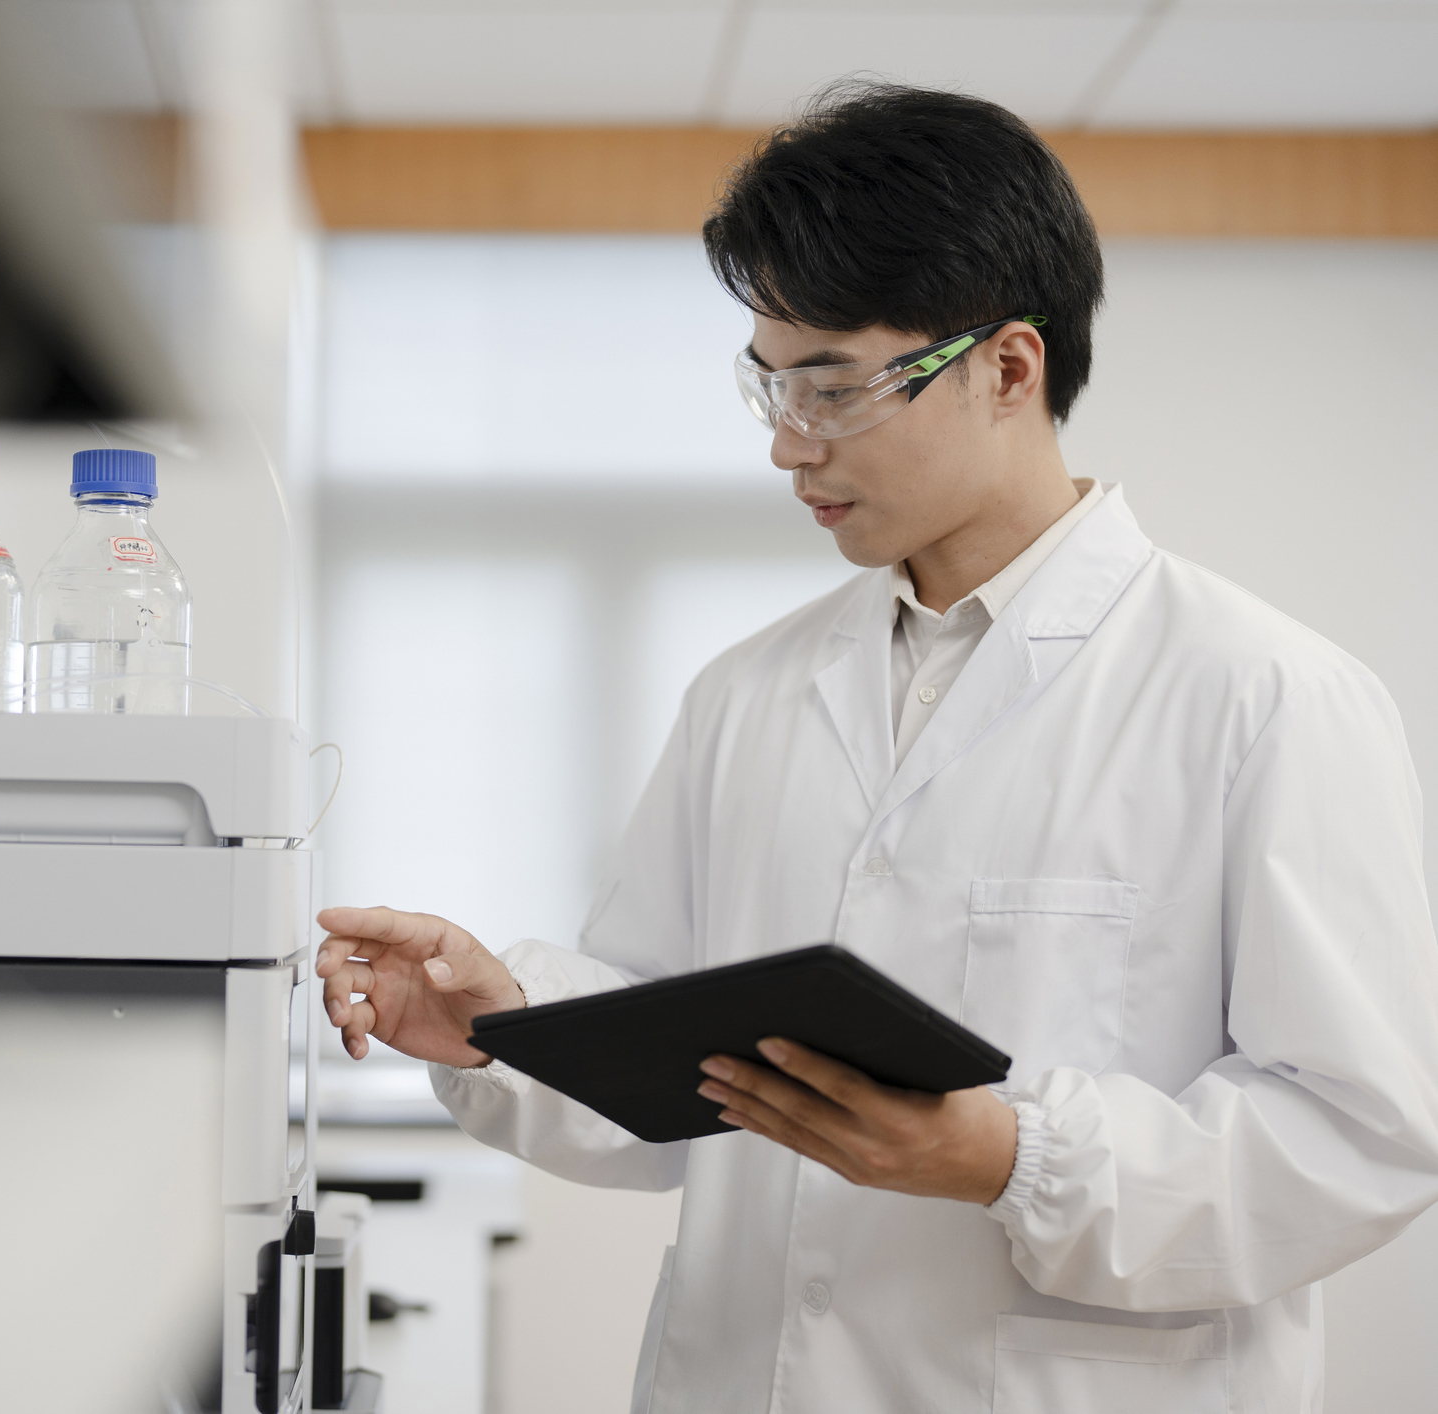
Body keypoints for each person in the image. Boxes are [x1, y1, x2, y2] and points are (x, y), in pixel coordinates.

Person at [315, 80, 1438, 1412]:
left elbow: (1357, 1137)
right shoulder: (748, 692)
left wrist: (1010, 1156)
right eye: (770, 385)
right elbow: (670, 1049)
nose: (789, 446)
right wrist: (504, 1023)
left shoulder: (1264, 696)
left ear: (1008, 368)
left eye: (835, 387)